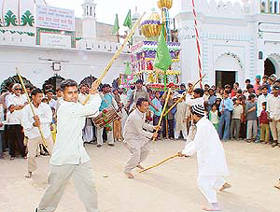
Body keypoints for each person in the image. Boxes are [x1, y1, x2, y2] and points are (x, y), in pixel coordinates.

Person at [36, 79, 101, 212]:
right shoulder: (65, 107)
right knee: (55, 189)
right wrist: (94, 94)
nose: (74, 95)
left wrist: (92, 99)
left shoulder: (76, 106)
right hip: (64, 157)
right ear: (61, 94)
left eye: (75, 92)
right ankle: (42, 210)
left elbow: (93, 112)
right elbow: (91, 108)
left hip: (80, 156)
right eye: (70, 93)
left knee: (88, 186)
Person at [178, 104, 231, 211]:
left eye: (192, 115)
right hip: (211, 154)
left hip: (211, 156)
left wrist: (184, 152)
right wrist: (185, 151)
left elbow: (197, 143)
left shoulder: (203, 126)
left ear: (195, 115)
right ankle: (223, 183)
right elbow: (197, 142)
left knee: (202, 181)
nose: (191, 117)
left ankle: (214, 205)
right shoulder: (205, 123)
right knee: (210, 173)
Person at [123, 97, 159, 179]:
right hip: (130, 136)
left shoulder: (143, 112)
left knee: (146, 149)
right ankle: (127, 170)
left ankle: (137, 162)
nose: (147, 107)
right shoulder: (135, 116)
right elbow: (140, 130)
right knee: (136, 152)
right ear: (138, 106)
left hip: (137, 134)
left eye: (147, 105)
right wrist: (152, 135)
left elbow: (143, 124)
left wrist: (153, 127)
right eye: (145, 105)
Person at [22, 88, 53, 178]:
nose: (40, 98)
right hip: (33, 135)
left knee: (53, 152)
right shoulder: (27, 109)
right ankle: (30, 170)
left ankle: (55, 170)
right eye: (39, 96)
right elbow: (24, 122)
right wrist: (33, 124)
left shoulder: (45, 106)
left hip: (45, 134)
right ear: (33, 97)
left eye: (41, 96)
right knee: (31, 155)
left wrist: (40, 120)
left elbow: (49, 119)